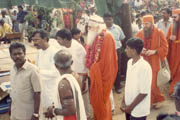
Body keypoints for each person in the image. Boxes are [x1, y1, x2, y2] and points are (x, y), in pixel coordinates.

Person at [85, 14, 118, 120]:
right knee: (96, 102)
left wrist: (94, 69)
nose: (89, 29)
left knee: (102, 102)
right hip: (95, 76)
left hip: (103, 77)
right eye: (88, 26)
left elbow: (107, 63)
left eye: (91, 26)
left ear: (98, 26)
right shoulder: (93, 37)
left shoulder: (107, 37)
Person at [55, 29, 92, 120]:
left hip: (79, 77)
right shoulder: (62, 48)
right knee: (72, 101)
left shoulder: (78, 48)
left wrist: (83, 81)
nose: (57, 41)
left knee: (82, 99)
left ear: (65, 40)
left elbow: (84, 67)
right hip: (69, 77)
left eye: (59, 39)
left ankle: (87, 116)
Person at [136, 15, 168, 108]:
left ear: (152, 23)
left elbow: (165, 47)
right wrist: (141, 50)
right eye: (143, 24)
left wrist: (154, 51)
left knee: (153, 85)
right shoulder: (140, 33)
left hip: (154, 63)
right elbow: (136, 47)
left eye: (146, 24)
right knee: (145, 83)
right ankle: (150, 101)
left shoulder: (159, 32)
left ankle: (160, 99)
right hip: (143, 63)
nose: (144, 26)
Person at [45, 50, 87, 120]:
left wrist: (53, 111)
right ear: (72, 62)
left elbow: (70, 110)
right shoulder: (76, 76)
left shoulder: (63, 83)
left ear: (55, 65)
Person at [120, 38, 152, 120]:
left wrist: (130, 108)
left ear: (133, 51)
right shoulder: (129, 63)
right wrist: (123, 102)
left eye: (127, 48)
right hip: (128, 106)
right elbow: (128, 84)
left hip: (139, 110)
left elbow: (144, 92)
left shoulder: (145, 67)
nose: (125, 50)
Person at [31, 30, 60, 120]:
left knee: (51, 114)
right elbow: (37, 67)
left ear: (45, 39)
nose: (34, 43)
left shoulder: (54, 52)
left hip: (51, 89)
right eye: (33, 40)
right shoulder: (39, 51)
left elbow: (55, 73)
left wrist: (37, 71)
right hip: (41, 88)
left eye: (37, 40)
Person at [9, 42, 41, 120]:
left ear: (25, 54)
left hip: (27, 114)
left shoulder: (33, 70)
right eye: (15, 54)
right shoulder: (12, 69)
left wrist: (36, 114)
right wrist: (10, 107)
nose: (17, 56)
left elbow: (37, 93)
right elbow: (13, 91)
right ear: (11, 56)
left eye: (20, 53)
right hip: (15, 112)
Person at [103, 12, 125, 94]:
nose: (108, 21)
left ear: (112, 19)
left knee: (117, 68)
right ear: (103, 20)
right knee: (106, 68)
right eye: (106, 19)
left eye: (110, 19)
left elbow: (122, 39)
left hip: (117, 50)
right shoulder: (101, 29)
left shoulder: (117, 28)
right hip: (105, 52)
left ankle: (117, 86)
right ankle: (108, 86)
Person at [166, 9, 180, 95]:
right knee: (173, 71)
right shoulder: (172, 26)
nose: (173, 19)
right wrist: (169, 39)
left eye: (175, 17)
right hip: (173, 55)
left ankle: (175, 91)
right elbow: (167, 40)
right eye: (173, 17)